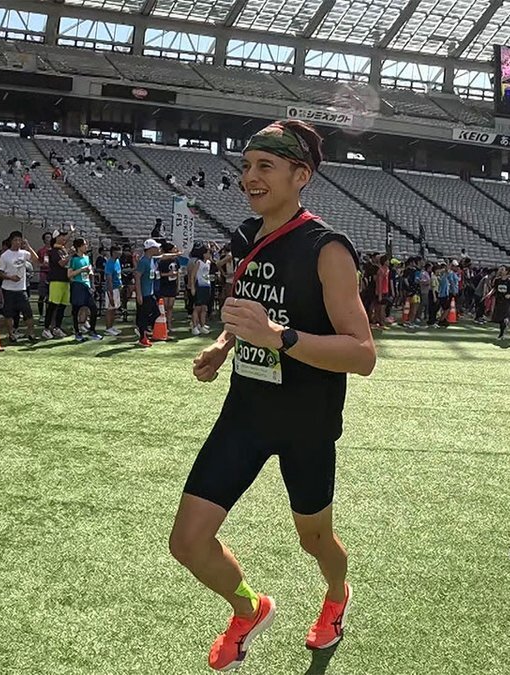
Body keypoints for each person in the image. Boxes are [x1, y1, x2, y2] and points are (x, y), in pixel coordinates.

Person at [170, 120, 375, 672]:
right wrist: (223, 346)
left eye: (265, 166)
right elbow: (247, 316)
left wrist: (279, 338)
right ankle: (249, 608)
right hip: (246, 413)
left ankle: (337, 595)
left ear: (300, 175)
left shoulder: (327, 249)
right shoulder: (245, 237)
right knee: (187, 542)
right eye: (245, 166)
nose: (249, 178)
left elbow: (363, 354)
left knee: (315, 540)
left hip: (307, 422)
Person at [0, 230, 36, 342]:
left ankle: (31, 332)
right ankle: (11, 333)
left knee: (27, 312)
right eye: (15, 240)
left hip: (21, 288)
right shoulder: (5, 256)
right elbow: (0, 273)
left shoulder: (24, 253)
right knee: (9, 313)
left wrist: (28, 247)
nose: (18, 242)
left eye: (19, 240)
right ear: (11, 241)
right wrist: (10, 277)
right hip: (8, 289)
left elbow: (36, 260)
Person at [67, 238, 102, 341]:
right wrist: (81, 270)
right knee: (76, 309)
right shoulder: (74, 259)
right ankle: (77, 332)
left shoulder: (87, 258)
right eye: (84, 245)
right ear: (79, 247)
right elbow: (69, 274)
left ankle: (92, 330)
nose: (86, 246)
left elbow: (90, 272)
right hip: (78, 285)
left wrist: (92, 284)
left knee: (93, 308)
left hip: (87, 286)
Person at [42, 228, 72, 340]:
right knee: (53, 306)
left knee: (62, 306)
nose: (64, 238)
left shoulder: (62, 249)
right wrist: (70, 255)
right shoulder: (54, 251)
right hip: (56, 281)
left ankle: (57, 327)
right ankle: (46, 328)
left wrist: (71, 232)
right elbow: (61, 263)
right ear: (56, 238)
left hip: (65, 280)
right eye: (61, 236)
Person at [189, 246, 214, 335]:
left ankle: (202, 325)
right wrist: (192, 287)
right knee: (197, 307)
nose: (209, 254)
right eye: (208, 253)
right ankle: (194, 326)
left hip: (207, 285)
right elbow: (193, 275)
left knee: (204, 307)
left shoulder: (208, 262)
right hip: (199, 285)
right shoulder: (198, 262)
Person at [488, 265, 510, 339]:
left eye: (503, 269)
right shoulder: (497, 280)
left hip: (506, 301)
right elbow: (494, 288)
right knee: (499, 318)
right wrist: (489, 294)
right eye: (500, 269)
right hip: (498, 301)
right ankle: (503, 330)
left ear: (506, 271)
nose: (501, 271)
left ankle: (501, 333)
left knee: (504, 317)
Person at [102, 243, 123, 336]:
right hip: (112, 289)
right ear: (113, 252)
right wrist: (110, 294)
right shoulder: (109, 263)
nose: (120, 253)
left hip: (117, 288)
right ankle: (108, 328)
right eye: (118, 251)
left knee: (114, 308)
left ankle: (111, 326)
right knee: (110, 309)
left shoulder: (117, 261)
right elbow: (109, 279)